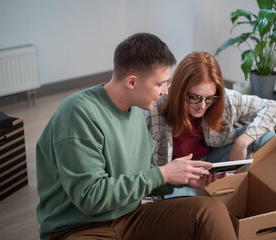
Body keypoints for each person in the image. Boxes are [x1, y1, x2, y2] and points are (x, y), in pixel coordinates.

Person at [36, 33, 237, 240]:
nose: (165, 92)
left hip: (130, 217)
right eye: (160, 84)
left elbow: (136, 178)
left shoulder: (135, 112)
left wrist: (181, 180)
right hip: (79, 229)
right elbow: (91, 198)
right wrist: (162, 174)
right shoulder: (78, 113)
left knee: (209, 212)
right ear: (132, 82)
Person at [145, 51, 276, 197]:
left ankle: (269, 195)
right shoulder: (155, 106)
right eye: (195, 97)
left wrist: (243, 141)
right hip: (177, 173)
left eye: (209, 98)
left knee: (265, 135)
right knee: (189, 210)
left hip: (211, 161)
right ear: (180, 91)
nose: (202, 106)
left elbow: (273, 107)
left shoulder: (224, 99)